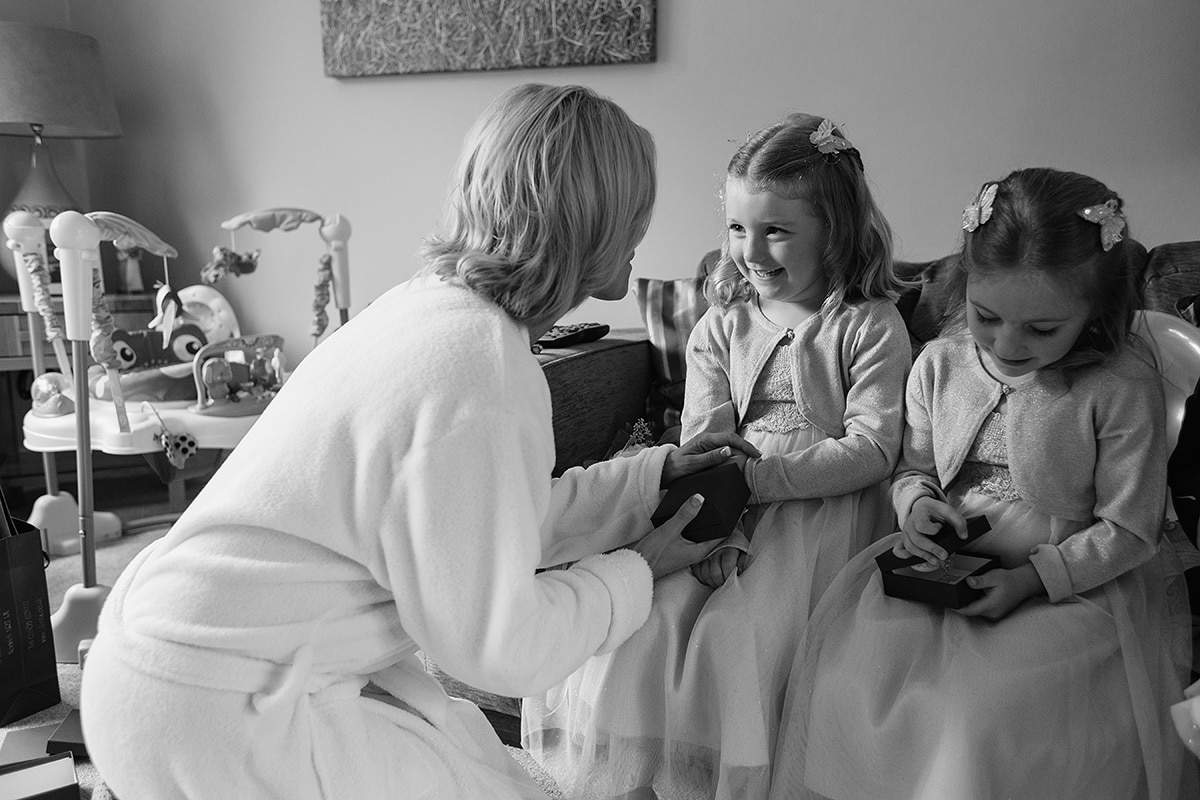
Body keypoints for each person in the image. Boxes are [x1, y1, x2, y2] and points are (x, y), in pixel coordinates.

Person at [78, 83, 759, 800]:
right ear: (594, 226)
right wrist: (638, 572)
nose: (641, 236)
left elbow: (487, 526)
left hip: (153, 665)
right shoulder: (480, 371)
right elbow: (502, 648)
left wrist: (648, 480)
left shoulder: (426, 310)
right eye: (635, 217)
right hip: (213, 713)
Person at [770, 167, 1200, 800]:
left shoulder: (1120, 385)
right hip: (948, 561)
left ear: (1095, 310)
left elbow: (1130, 527)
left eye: (1042, 328)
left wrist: (1033, 580)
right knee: (852, 684)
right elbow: (912, 467)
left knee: (980, 711)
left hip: (1074, 580)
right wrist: (915, 506)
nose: (1006, 343)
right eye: (986, 316)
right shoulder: (939, 363)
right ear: (965, 290)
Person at [523, 113, 911, 799]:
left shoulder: (867, 323)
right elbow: (703, 438)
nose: (751, 252)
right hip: (723, 501)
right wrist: (720, 521)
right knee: (649, 622)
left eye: (777, 230)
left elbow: (874, 447)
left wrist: (759, 482)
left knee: (741, 633)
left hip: (819, 514)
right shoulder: (721, 322)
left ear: (836, 229)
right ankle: (652, 779)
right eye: (738, 228)